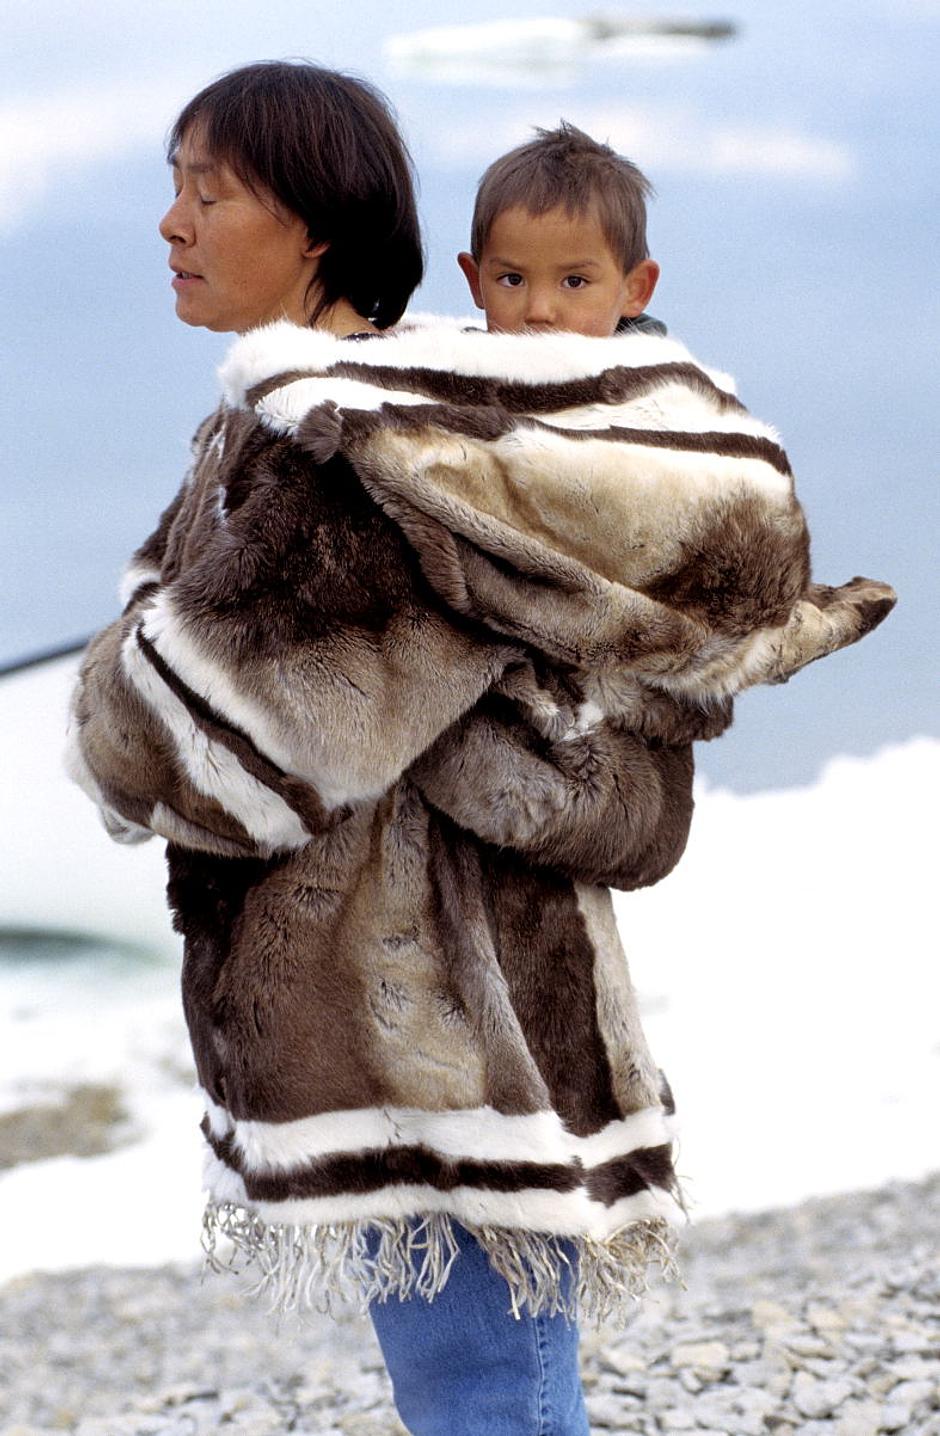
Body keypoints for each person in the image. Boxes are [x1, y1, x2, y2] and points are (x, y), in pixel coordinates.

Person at [66, 61, 895, 1436]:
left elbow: (192, 751)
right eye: (173, 188)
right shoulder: (338, 424)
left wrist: (129, 677)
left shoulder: (356, 458)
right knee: (482, 1383)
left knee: (482, 1395)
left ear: (319, 223)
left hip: (444, 1033)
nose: (173, 223)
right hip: (463, 1015)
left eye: (209, 192)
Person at [457, 121, 663, 340]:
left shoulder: (665, 373)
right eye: (512, 279)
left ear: (635, 290)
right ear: (476, 283)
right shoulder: (448, 365)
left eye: (574, 281)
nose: (539, 312)